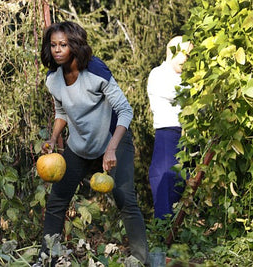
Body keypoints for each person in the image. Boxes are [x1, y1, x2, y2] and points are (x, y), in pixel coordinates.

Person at [33, 21, 149, 266]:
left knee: (124, 199)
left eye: (63, 44)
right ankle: (48, 258)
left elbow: (125, 111)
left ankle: (140, 259)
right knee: (57, 201)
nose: (57, 50)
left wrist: (111, 149)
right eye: (53, 45)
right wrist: (53, 139)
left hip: (113, 141)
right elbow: (61, 111)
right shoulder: (53, 78)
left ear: (74, 45)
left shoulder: (96, 71)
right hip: (79, 147)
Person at [147, 36, 193, 219]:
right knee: (165, 180)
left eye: (191, 55)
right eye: (185, 54)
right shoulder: (158, 74)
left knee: (189, 185)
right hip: (168, 134)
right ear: (171, 52)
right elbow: (179, 94)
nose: (188, 59)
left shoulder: (188, 77)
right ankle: (163, 236)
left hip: (190, 139)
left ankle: (184, 235)